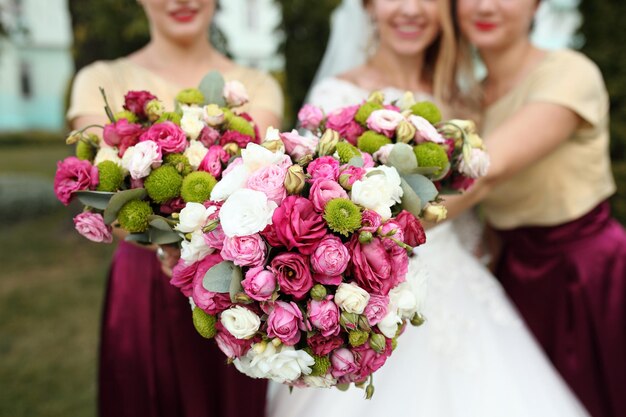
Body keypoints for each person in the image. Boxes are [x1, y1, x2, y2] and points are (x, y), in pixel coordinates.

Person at [267, 1, 589, 415]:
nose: (410, 10)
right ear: (367, 7)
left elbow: (475, 203)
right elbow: (312, 207)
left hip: (459, 283)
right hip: (371, 295)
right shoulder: (337, 96)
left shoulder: (462, 99)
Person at [67, 1, 283, 416]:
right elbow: (105, 192)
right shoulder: (100, 79)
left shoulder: (257, 85)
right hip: (142, 282)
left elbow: (257, 187)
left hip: (233, 287)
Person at [442, 0, 626, 416]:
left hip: (592, 271)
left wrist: (384, 222)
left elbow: (487, 169)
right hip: (515, 278)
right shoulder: (466, 104)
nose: (485, 6)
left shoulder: (568, 72)